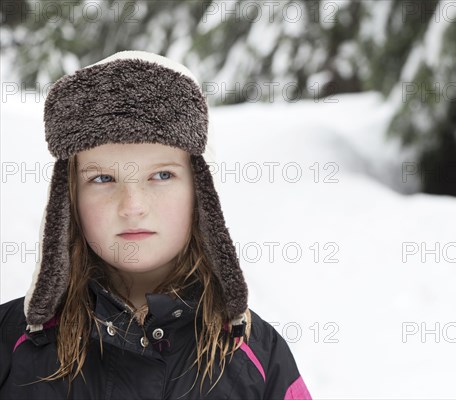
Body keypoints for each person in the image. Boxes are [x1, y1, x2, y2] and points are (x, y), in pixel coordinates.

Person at [0, 50, 312, 400]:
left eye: (161, 175)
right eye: (103, 178)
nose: (133, 207)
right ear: (67, 200)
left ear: (202, 192)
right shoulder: (10, 343)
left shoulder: (259, 357)